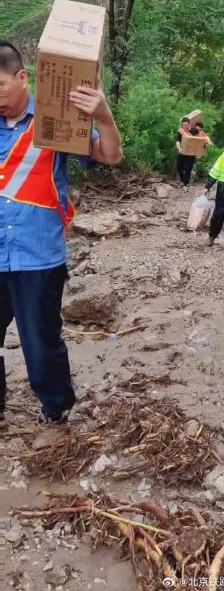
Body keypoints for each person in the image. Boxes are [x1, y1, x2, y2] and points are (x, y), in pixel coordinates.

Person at [0, 41, 122, 427]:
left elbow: (110, 155)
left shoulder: (57, 118)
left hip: (38, 255)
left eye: (0, 88)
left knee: (40, 343)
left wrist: (103, 116)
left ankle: (56, 409)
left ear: (23, 78)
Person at [176, 117, 196, 190]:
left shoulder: (194, 131)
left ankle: (185, 184)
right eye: (183, 125)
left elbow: (202, 138)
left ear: (189, 124)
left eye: (186, 125)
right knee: (179, 167)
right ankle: (182, 180)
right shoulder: (181, 131)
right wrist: (179, 148)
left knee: (188, 169)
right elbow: (178, 141)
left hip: (191, 154)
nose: (185, 127)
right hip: (182, 152)